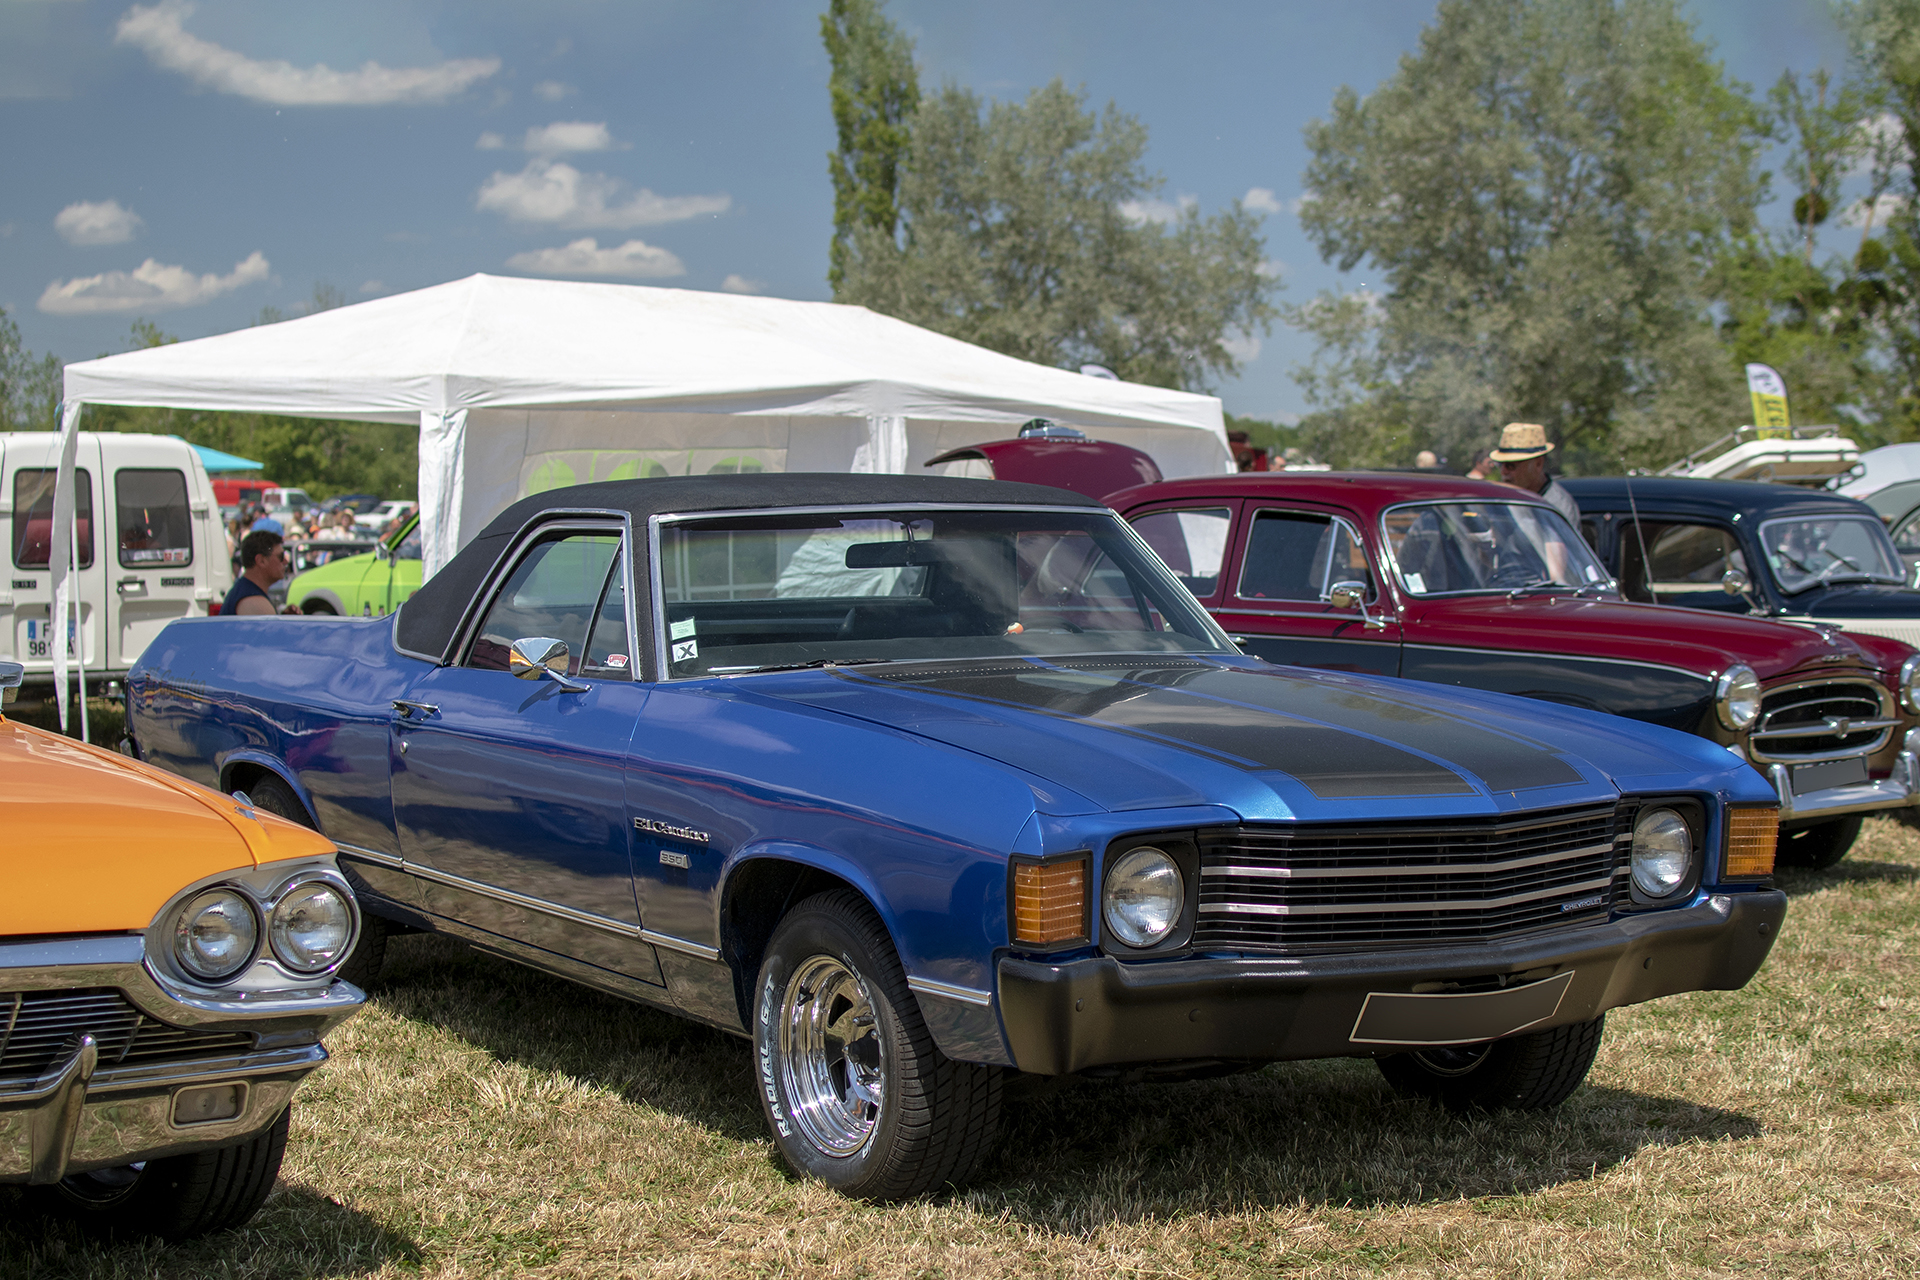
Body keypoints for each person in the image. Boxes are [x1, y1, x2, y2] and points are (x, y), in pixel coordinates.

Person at [1489, 422, 1579, 526]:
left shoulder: (1558, 505)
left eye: (1510, 465)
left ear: (1538, 463)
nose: (1503, 471)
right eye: (1500, 464)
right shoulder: (1501, 499)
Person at [221, 530, 290, 616]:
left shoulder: (244, 591)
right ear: (261, 561)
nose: (286, 561)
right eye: (281, 556)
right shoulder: (254, 602)